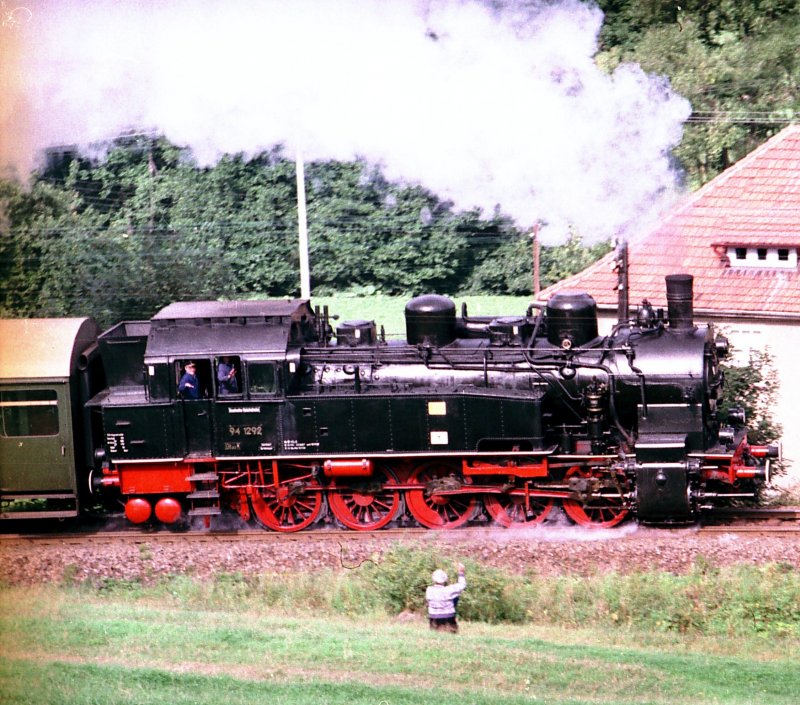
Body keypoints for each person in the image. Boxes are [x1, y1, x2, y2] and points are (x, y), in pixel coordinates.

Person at [425, 562, 466, 632]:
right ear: (445, 579)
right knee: (456, 597)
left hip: (434, 618)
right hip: (448, 617)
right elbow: (462, 585)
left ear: (433, 579)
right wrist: (461, 573)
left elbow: (427, 603)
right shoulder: (449, 590)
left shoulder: (429, 590)